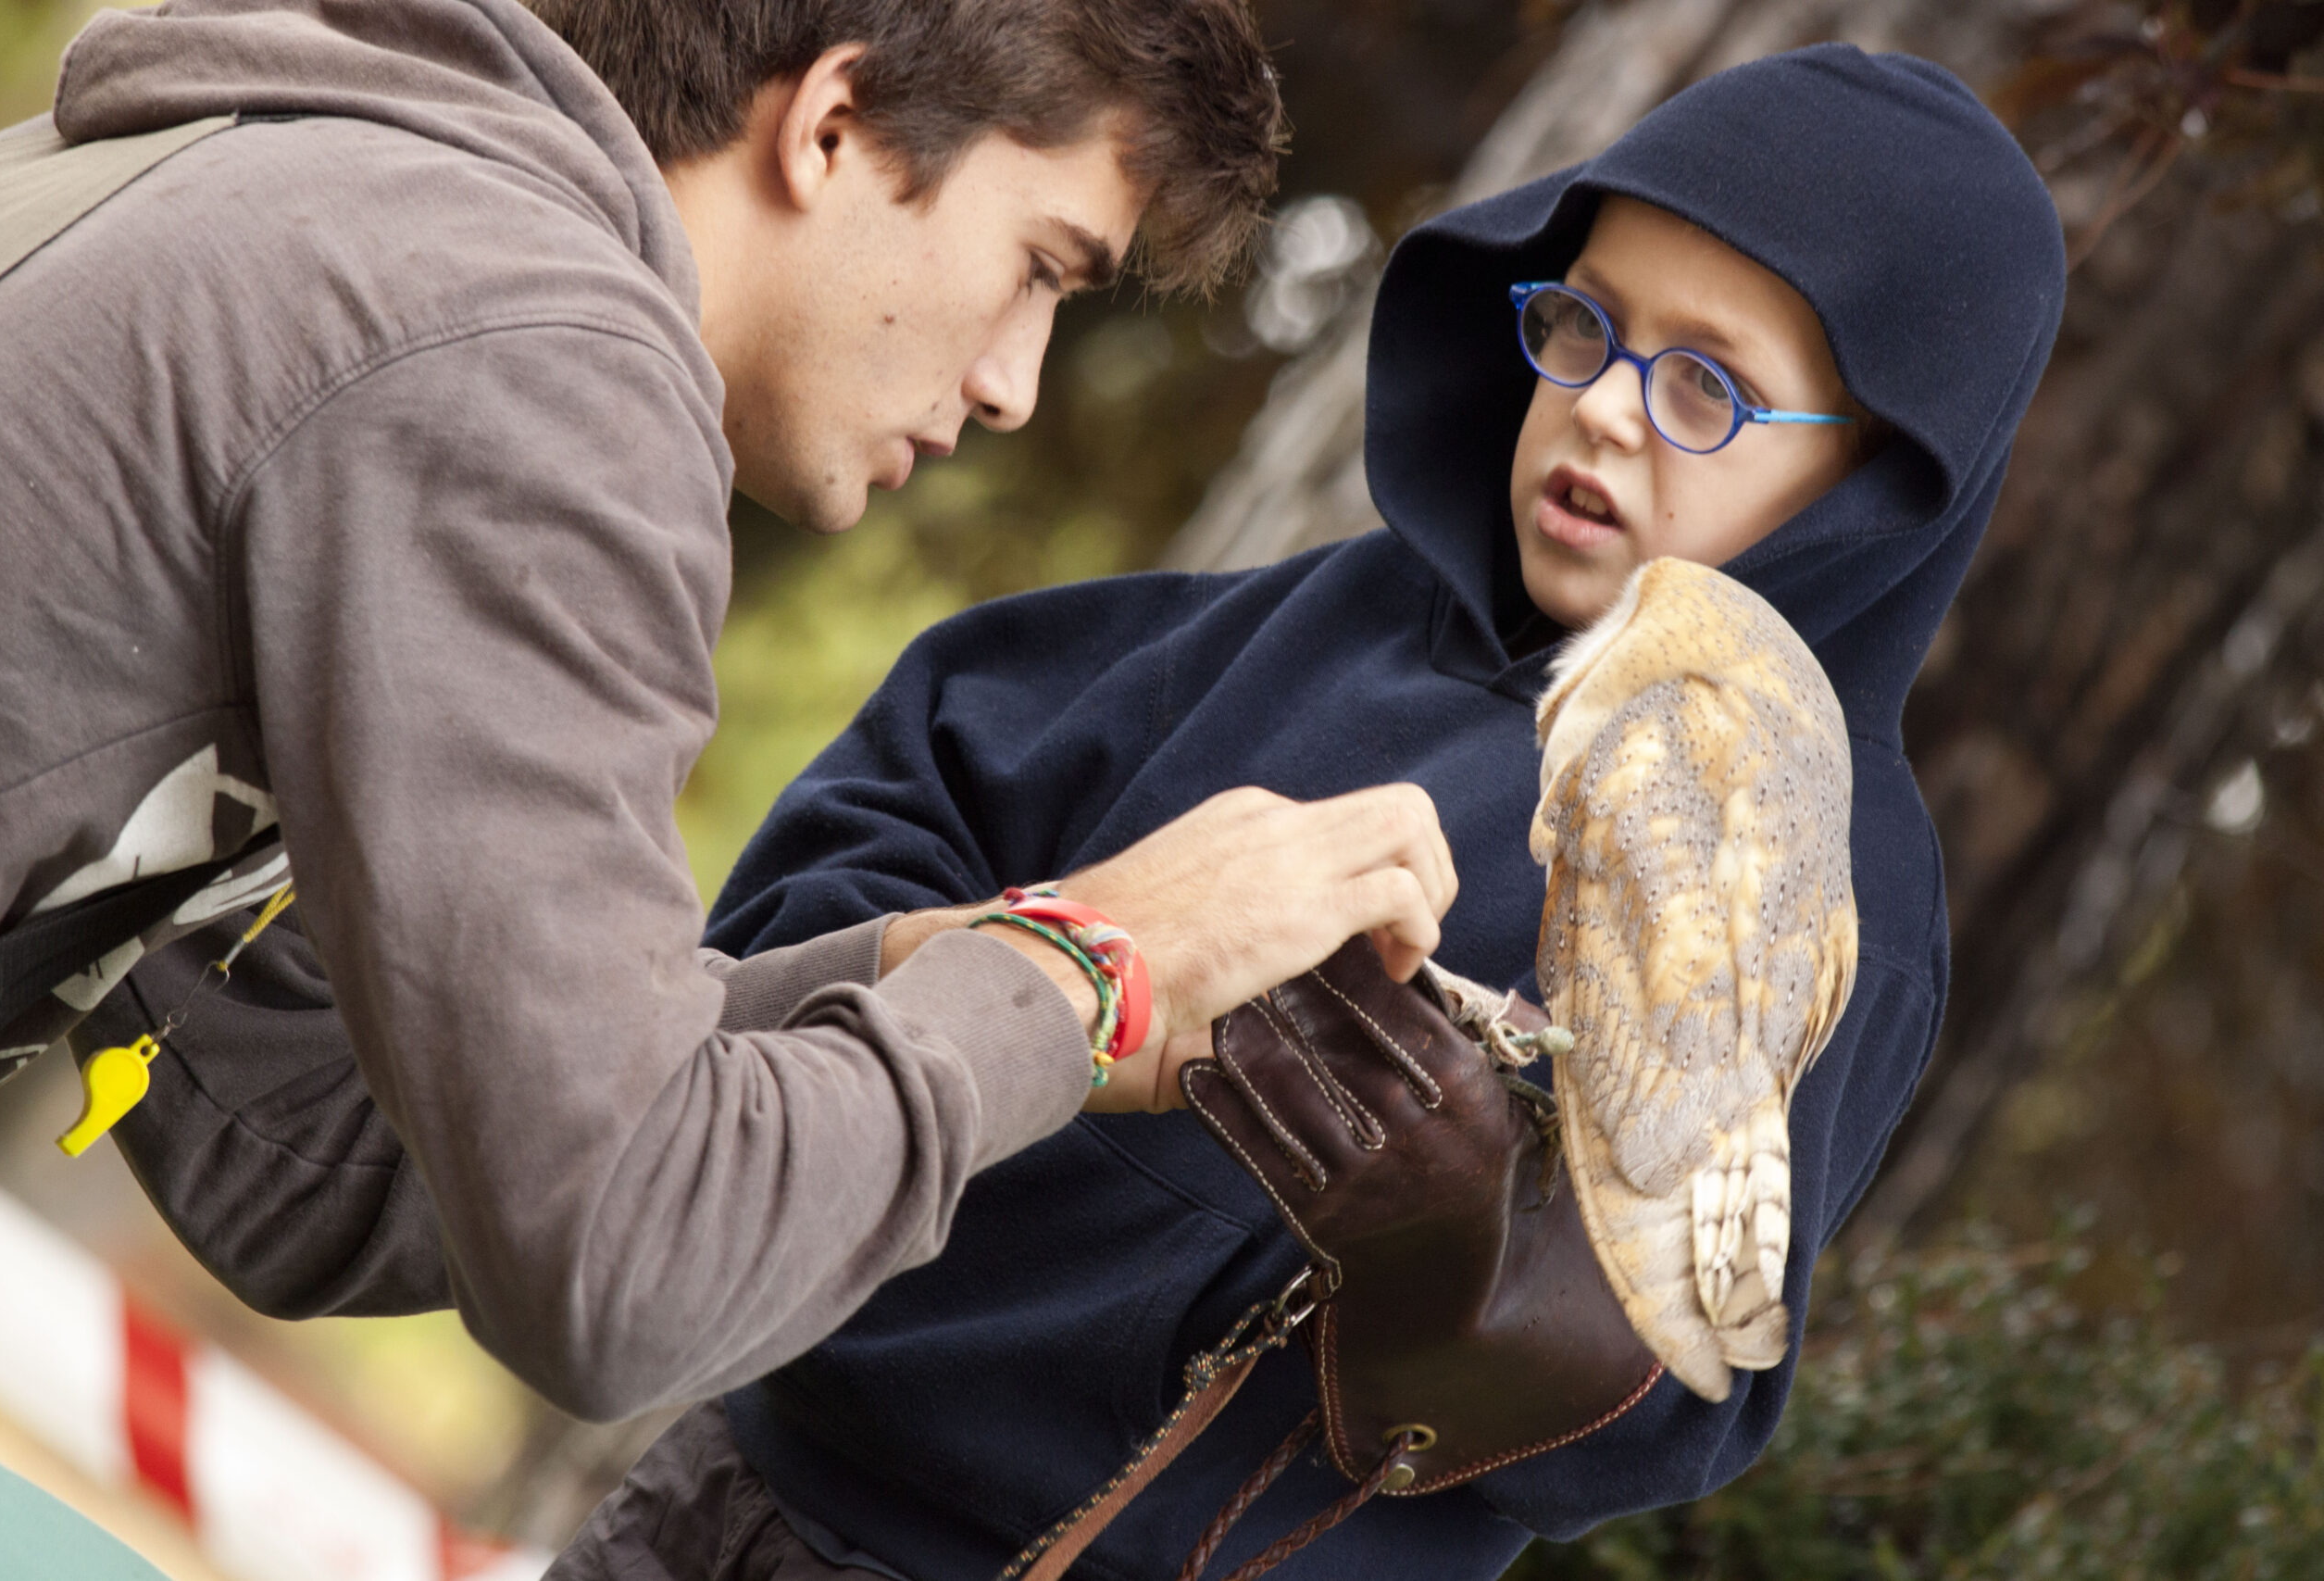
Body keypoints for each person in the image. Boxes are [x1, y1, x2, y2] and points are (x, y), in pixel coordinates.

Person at [532, 42, 2068, 1580]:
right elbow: (905, 795)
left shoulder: (1816, 873)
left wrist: (1477, 1276)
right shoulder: (1340, 616)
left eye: (1704, 388)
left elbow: (1679, 1399)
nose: (1604, 411)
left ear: (1873, 488)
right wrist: (1035, 965)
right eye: (1587, 327)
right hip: (742, 1482)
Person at [0, 0, 1469, 1436]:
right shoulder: (535, 376)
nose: (1014, 386)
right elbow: (623, 1268)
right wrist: (1090, 971)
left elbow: (297, 1131)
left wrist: (931, 982)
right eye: (1040, 268)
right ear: (831, 126)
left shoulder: (333, 193)